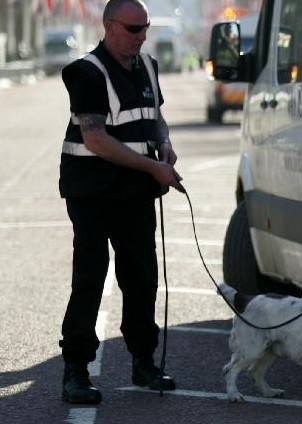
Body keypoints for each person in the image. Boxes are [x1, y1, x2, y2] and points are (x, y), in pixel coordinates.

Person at [58, 0, 184, 404]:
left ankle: (143, 362)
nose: (142, 35)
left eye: (145, 27)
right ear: (110, 27)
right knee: (91, 278)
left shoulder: (147, 65)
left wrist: (164, 145)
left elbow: (155, 117)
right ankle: (76, 370)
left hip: (134, 193)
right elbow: (95, 139)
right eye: (133, 28)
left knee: (142, 277)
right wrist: (152, 168)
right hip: (92, 192)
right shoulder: (86, 72)